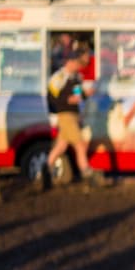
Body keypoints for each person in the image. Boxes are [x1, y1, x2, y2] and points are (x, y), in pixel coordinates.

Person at [45, 54, 103, 188]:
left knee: (61, 146)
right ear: (70, 62)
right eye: (77, 64)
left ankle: (46, 170)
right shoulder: (59, 77)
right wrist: (65, 102)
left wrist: (85, 94)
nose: (79, 67)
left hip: (74, 114)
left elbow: (77, 96)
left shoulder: (76, 78)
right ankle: (87, 173)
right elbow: (52, 97)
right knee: (79, 144)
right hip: (65, 115)